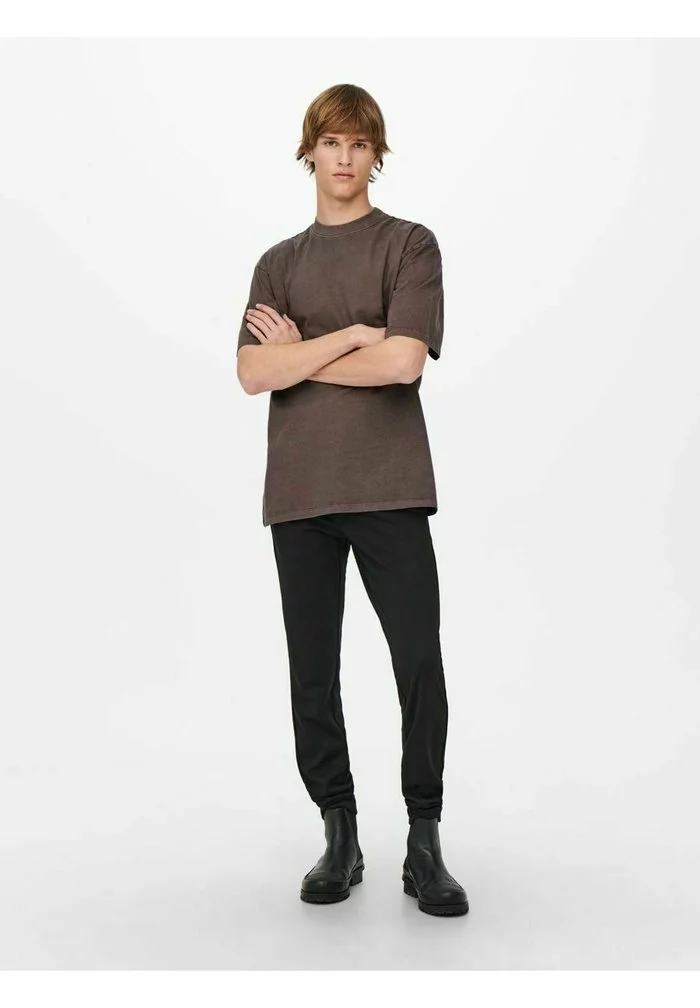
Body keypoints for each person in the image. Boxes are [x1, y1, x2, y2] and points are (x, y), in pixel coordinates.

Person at [236, 83, 468, 917]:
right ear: (310, 152)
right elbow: (253, 372)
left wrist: (302, 354)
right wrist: (346, 337)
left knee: (418, 663)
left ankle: (424, 839)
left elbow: (402, 364)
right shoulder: (277, 264)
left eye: (359, 143)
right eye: (331, 142)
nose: (344, 157)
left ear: (376, 154)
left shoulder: (409, 245)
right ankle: (340, 834)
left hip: (389, 486)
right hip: (299, 492)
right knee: (312, 672)